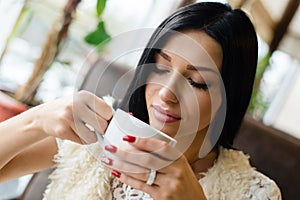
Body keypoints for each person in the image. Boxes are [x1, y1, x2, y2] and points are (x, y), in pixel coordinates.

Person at [0, 2, 281, 199]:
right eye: (159, 67)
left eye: (196, 82)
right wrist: (36, 119)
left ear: (229, 96)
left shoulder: (254, 193)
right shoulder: (97, 131)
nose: (166, 93)